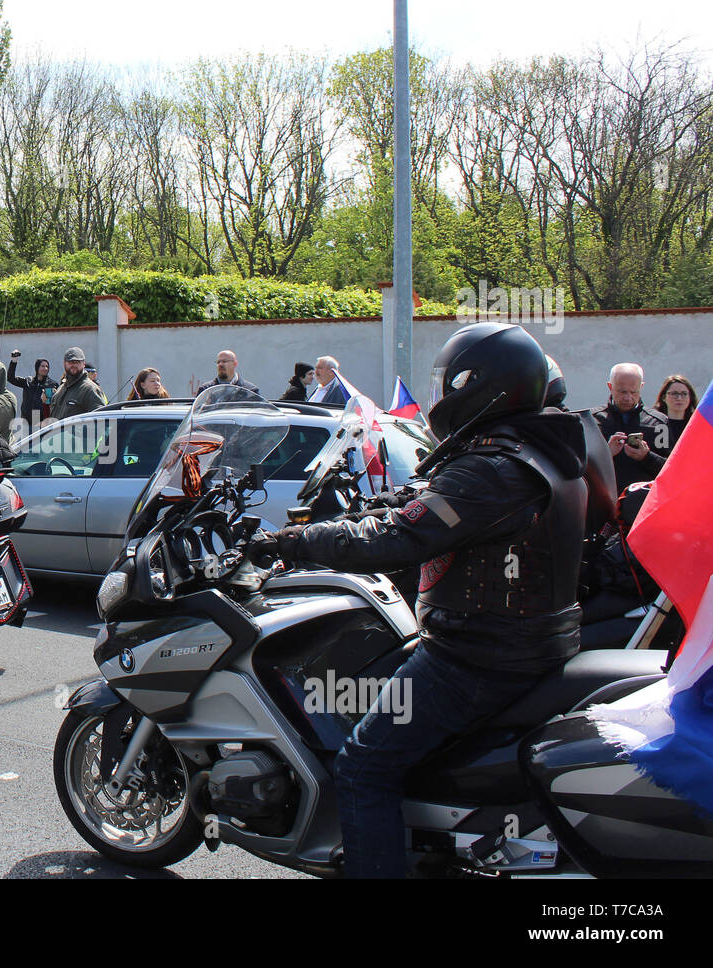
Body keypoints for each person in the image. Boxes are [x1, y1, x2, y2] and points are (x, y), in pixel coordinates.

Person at [253, 322, 587, 878]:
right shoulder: (538, 448)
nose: (444, 396)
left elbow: (398, 537)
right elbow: (424, 504)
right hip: (527, 642)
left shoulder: (493, 469)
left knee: (362, 766)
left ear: (484, 386)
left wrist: (290, 540)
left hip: (477, 657)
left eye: (452, 383)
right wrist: (362, 510)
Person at [590, 363, 667, 492]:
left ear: (641, 387)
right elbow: (580, 469)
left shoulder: (658, 423)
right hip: (604, 501)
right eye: (622, 391)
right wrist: (605, 454)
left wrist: (647, 457)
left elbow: (670, 469)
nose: (628, 398)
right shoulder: (592, 421)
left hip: (641, 502)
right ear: (610, 387)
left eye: (633, 392)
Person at [50, 347, 105, 421]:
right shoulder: (60, 390)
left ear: (83, 364)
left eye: (77, 362)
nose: (73, 365)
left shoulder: (90, 389)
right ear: (64, 363)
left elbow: (100, 422)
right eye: (70, 362)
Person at [7, 351, 57, 427]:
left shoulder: (52, 384)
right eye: (42, 366)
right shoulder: (28, 381)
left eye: (47, 366)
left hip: (42, 424)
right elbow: (11, 378)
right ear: (37, 367)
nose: (45, 368)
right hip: (26, 423)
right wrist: (14, 361)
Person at [653, 374, 700, 451]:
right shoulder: (654, 425)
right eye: (674, 393)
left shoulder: (697, 426)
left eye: (684, 394)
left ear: (690, 397)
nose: (679, 398)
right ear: (664, 397)